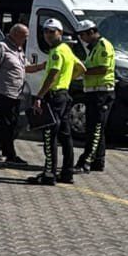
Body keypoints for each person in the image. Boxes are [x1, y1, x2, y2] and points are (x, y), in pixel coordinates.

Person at [26, 18, 85, 186]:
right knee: (65, 135)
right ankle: (67, 173)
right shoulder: (66, 49)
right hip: (64, 95)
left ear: (60, 32)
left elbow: (52, 75)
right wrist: (68, 81)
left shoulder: (57, 51)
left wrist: (39, 96)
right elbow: (81, 68)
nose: (47, 35)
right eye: (45, 31)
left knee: (49, 134)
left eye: (52, 31)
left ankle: (49, 173)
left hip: (54, 96)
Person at [0, 23, 29, 166]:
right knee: (8, 122)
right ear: (15, 34)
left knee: (13, 122)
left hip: (16, 92)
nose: (26, 39)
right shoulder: (0, 47)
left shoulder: (18, 49)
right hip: (2, 91)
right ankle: (10, 154)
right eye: (24, 36)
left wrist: (43, 66)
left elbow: (25, 67)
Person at [75, 19, 116, 173]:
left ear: (91, 32)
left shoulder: (103, 45)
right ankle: (98, 161)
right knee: (95, 128)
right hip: (93, 92)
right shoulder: (94, 47)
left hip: (102, 92)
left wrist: (83, 71)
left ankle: (86, 160)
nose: (81, 39)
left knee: (96, 129)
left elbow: (103, 69)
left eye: (82, 35)